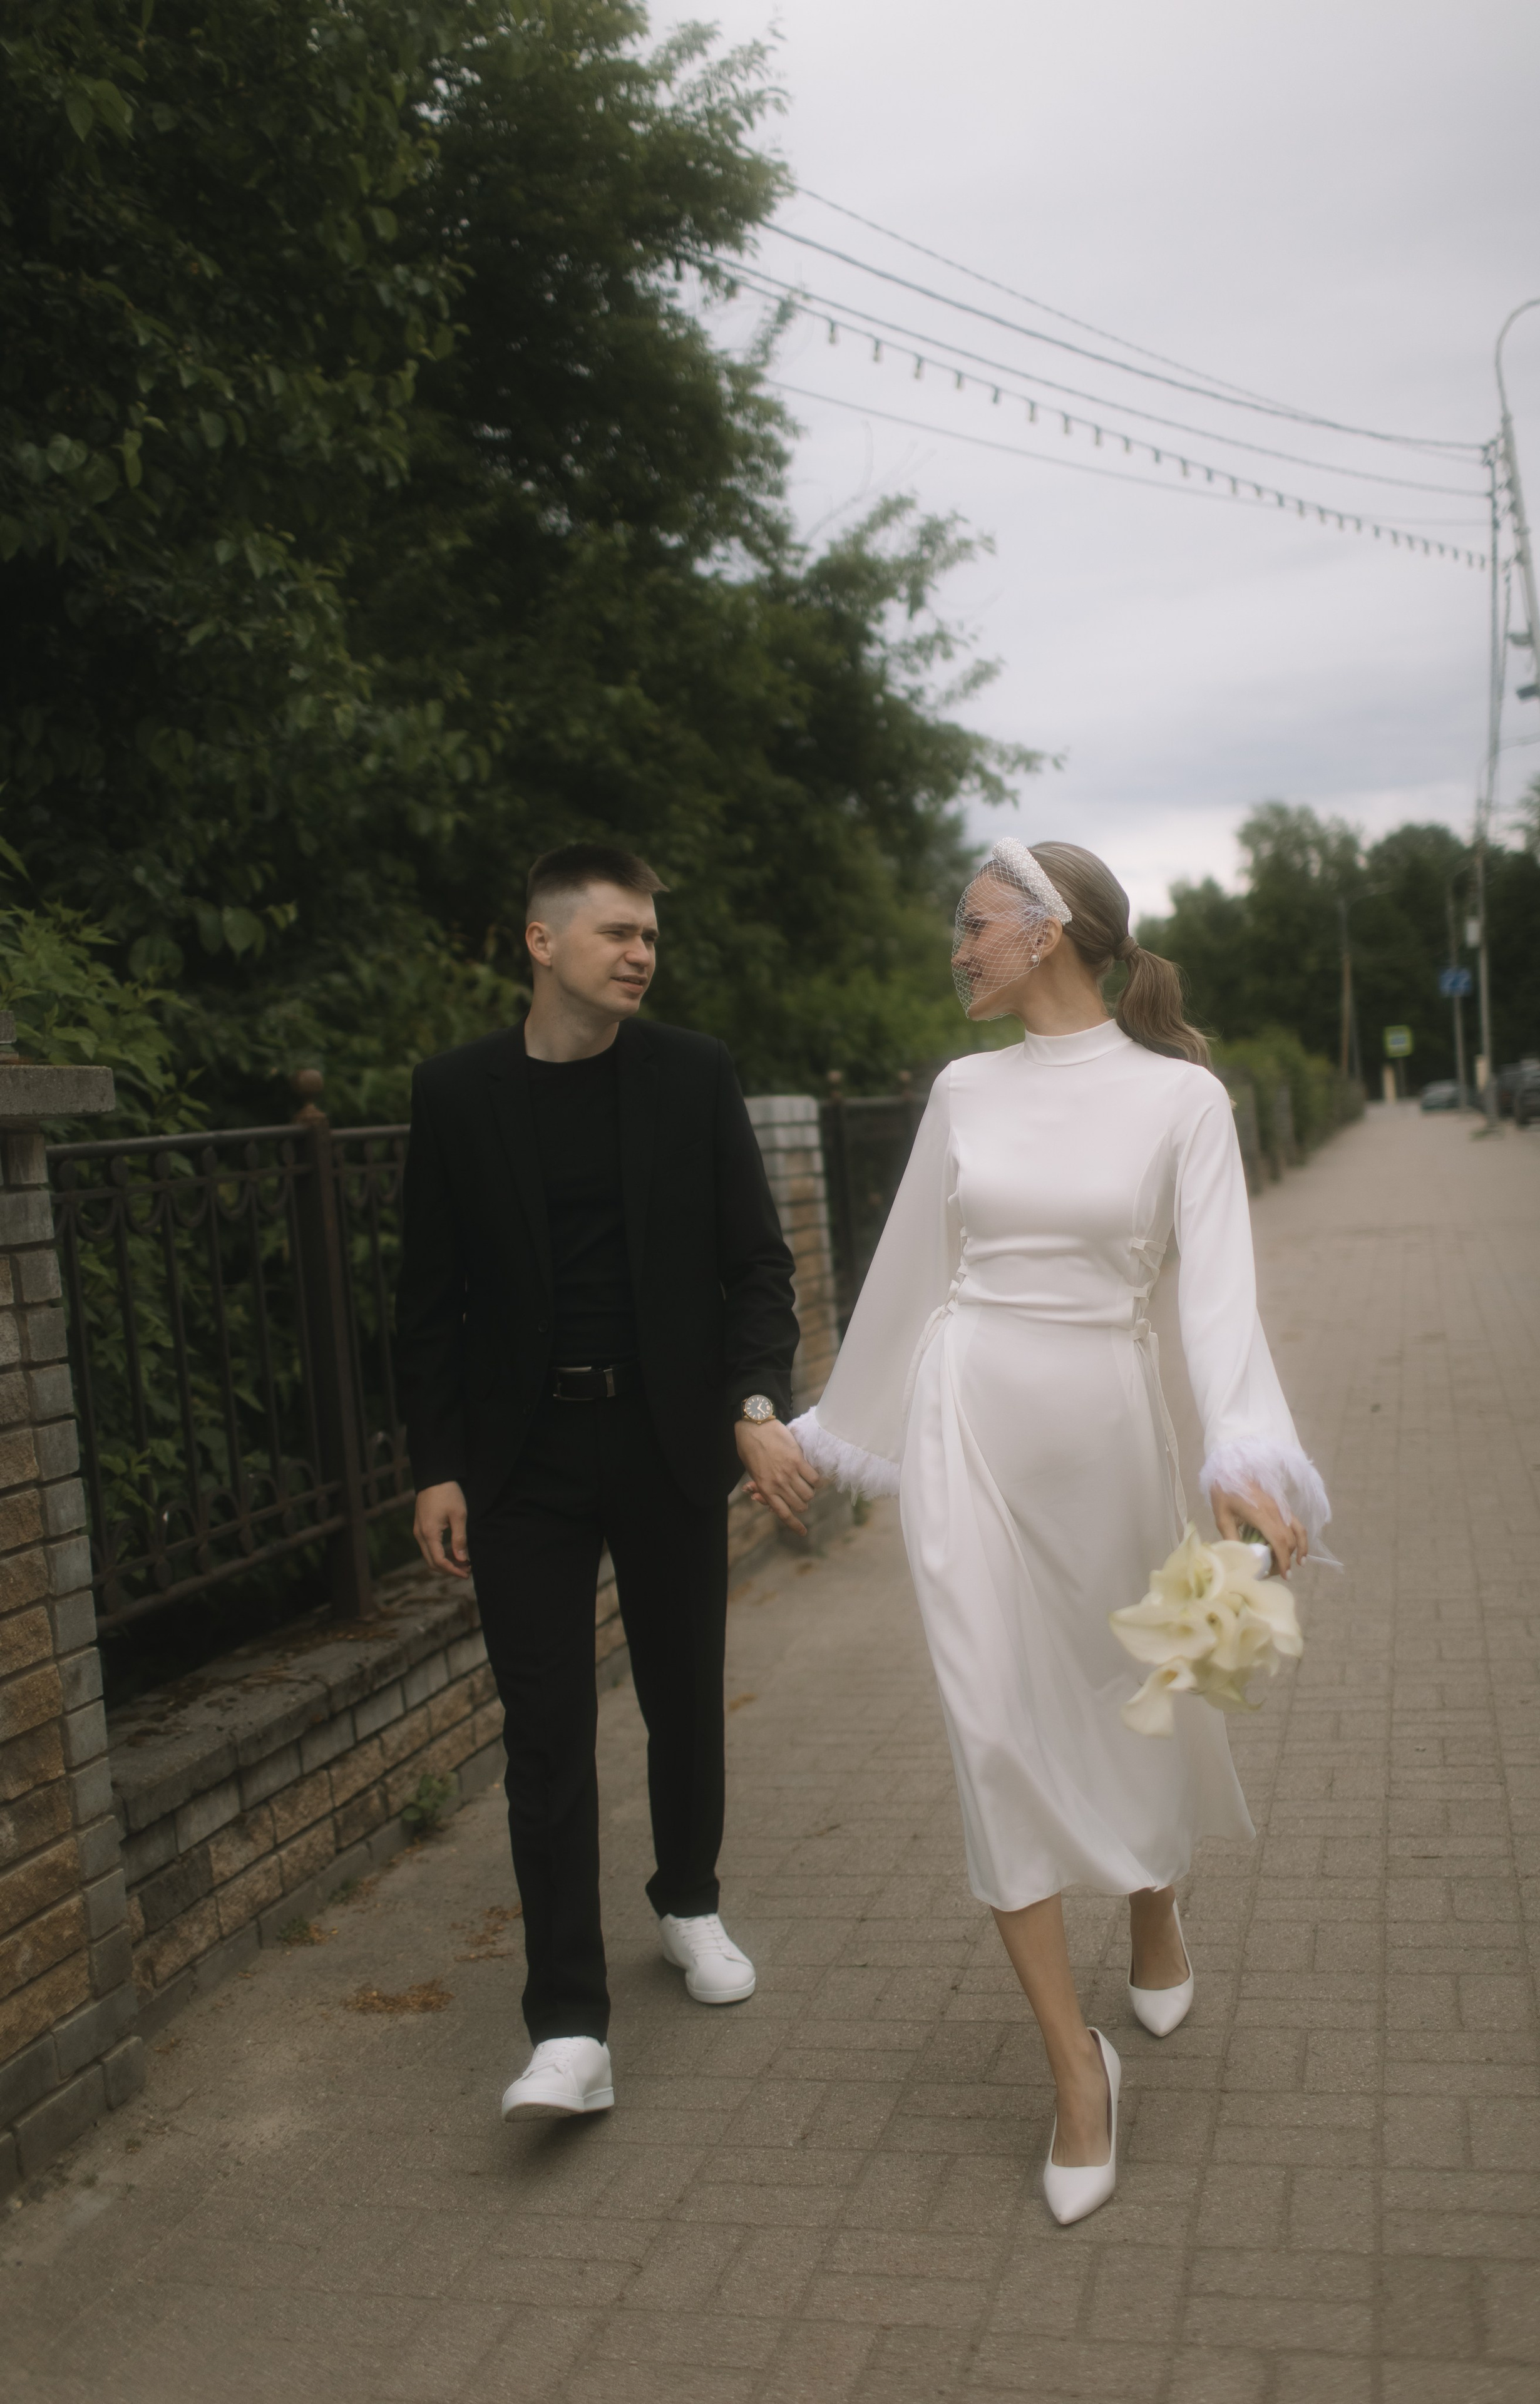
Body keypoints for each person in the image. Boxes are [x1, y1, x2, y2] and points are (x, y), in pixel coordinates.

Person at [789, 838, 1330, 2225]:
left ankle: (1153, 1900)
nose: (955, 948)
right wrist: (825, 1428)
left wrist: (1242, 1453)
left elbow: (1217, 1300)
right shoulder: (961, 1090)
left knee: (1134, 1688)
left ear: (1048, 932)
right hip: (966, 1422)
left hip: (1104, 1429)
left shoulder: (1182, 1100)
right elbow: (907, 1276)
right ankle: (1074, 2069)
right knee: (991, 1732)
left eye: (973, 924)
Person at [395, 841, 819, 2123]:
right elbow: (427, 1299)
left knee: (682, 1696)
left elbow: (757, 1267)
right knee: (544, 1734)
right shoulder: (455, 1093)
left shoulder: (691, 1074)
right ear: (542, 942)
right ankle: (569, 2026)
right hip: (521, 1460)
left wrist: (753, 1405)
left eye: (650, 936)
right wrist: (435, 1465)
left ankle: (687, 1901)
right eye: (618, 933)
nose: (642, 953)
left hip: (664, 1439)